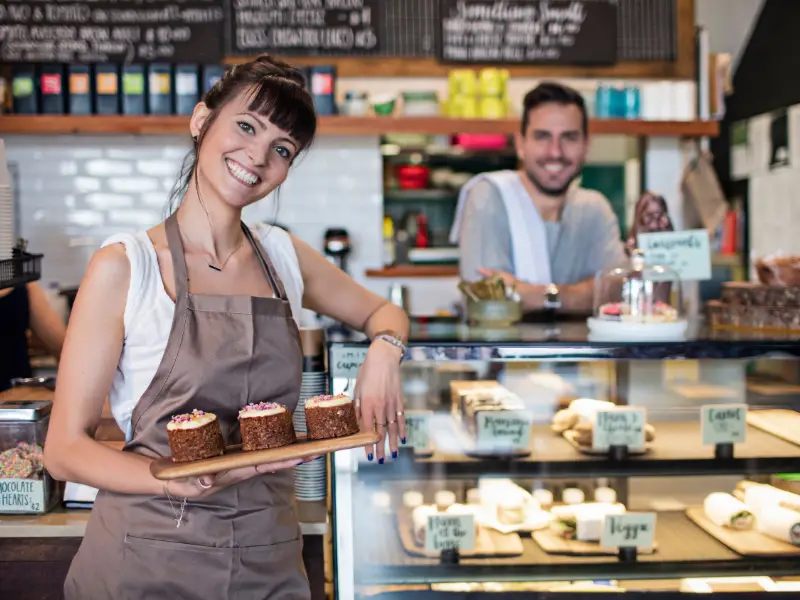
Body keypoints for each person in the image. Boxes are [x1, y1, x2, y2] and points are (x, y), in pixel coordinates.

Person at [44, 55, 409, 600]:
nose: (258, 157)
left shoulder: (283, 255)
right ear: (200, 121)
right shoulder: (126, 265)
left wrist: (384, 351)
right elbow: (64, 450)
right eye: (246, 126)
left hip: (269, 558)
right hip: (147, 559)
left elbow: (386, 313)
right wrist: (171, 476)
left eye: (282, 149)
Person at [450, 82, 627, 313]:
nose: (555, 152)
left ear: (586, 145)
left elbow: (616, 293)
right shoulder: (488, 196)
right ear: (520, 144)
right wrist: (581, 294)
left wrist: (533, 295)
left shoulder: (594, 209)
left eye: (569, 137)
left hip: (584, 349)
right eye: (542, 136)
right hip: (504, 350)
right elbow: (487, 303)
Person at [0, 282, 66, 391]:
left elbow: (62, 348)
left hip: (17, 398)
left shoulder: (25, 284)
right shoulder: (25, 285)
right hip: (18, 396)